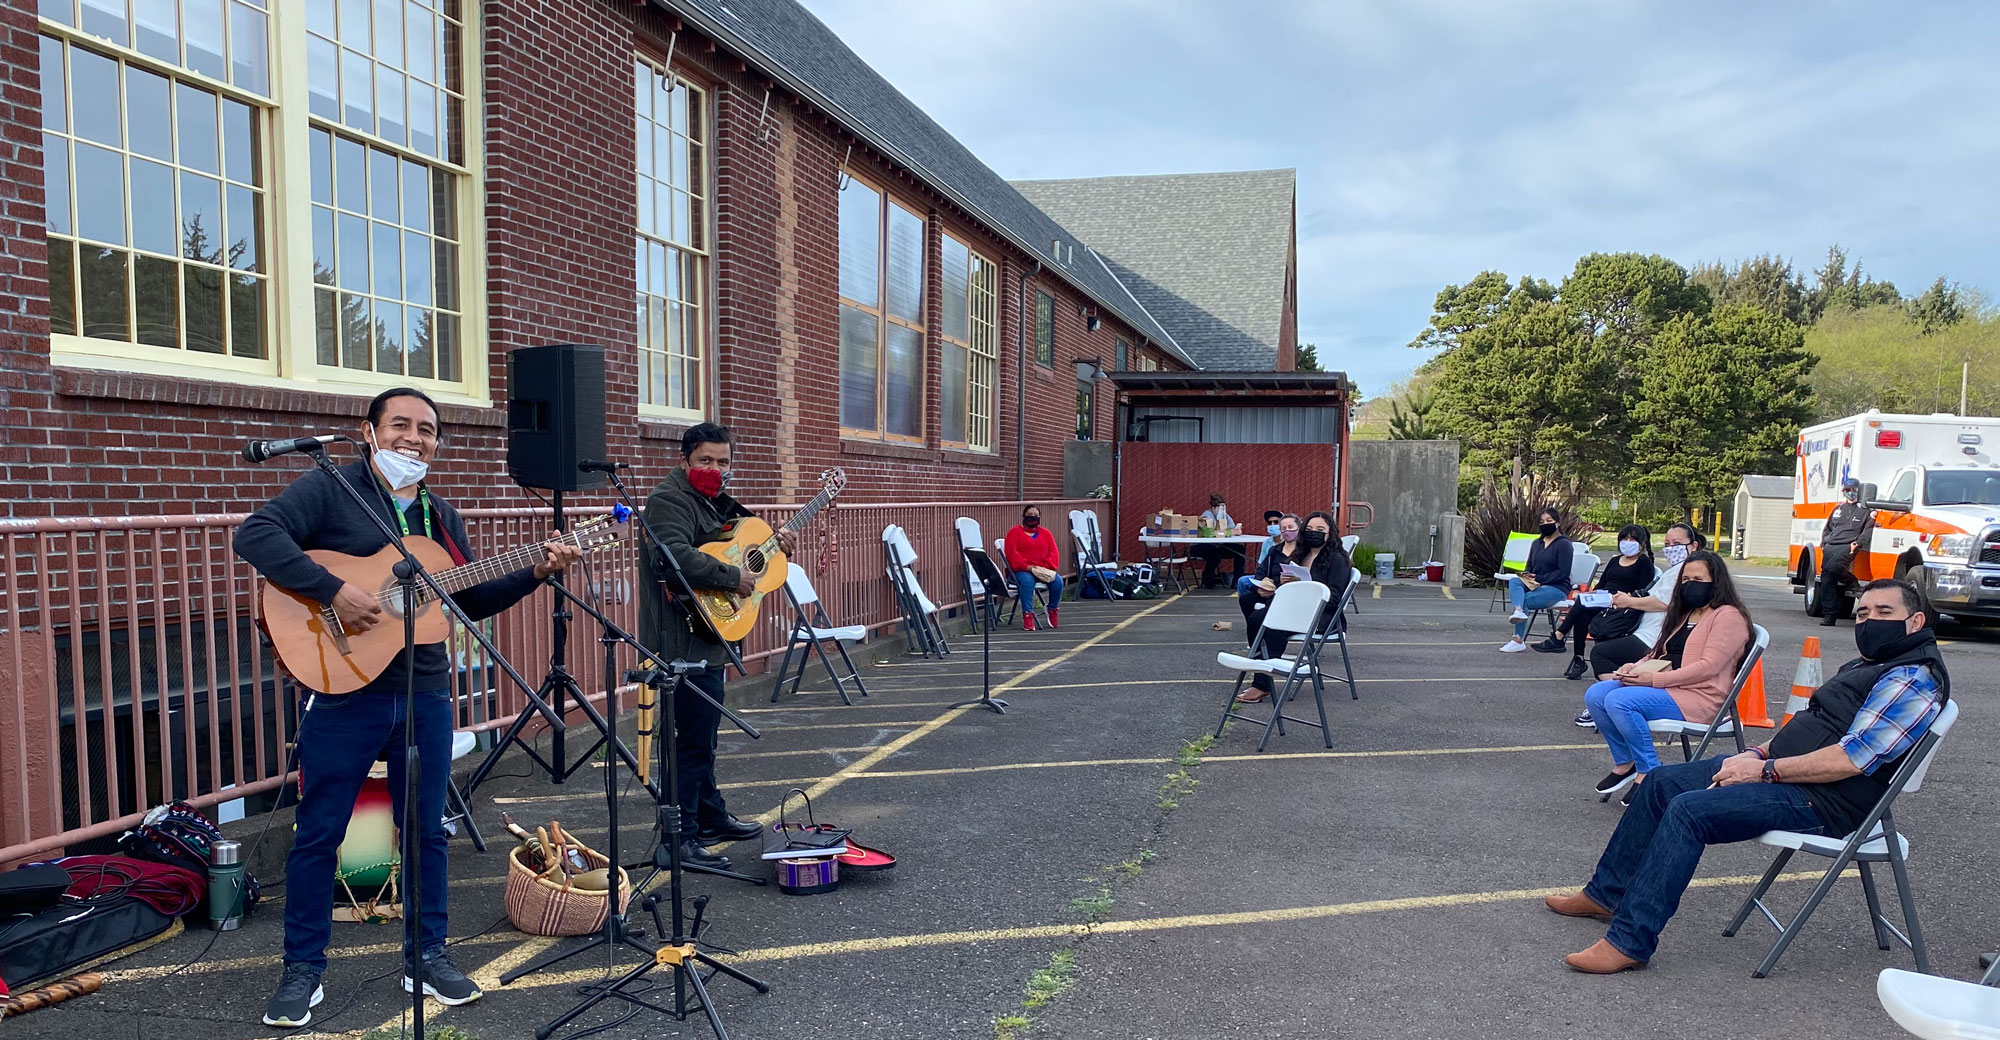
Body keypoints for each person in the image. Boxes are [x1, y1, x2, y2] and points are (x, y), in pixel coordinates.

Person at [235, 388, 583, 1027]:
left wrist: (538, 571)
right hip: (344, 691)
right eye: (401, 424)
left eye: (427, 429)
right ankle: (302, 970)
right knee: (320, 832)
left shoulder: (440, 517)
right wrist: (335, 591)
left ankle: (426, 954)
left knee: (426, 832)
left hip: (422, 691)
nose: (414, 438)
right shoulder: (333, 488)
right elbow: (255, 533)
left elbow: (465, 600)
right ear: (368, 430)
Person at [1545, 579, 1948, 974]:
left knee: (1689, 811)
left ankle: (1628, 943)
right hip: (1787, 774)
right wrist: (1755, 752)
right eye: (1862, 612)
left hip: (1826, 801)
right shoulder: (1871, 665)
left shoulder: (1912, 679)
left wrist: (1764, 771)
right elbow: (1812, 727)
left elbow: (1850, 761)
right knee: (1660, 783)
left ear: (1914, 622)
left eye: (1883, 612)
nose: (1869, 621)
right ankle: (1604, 895)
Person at [639, 423, 793, 873]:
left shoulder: (713, 500)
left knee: (703, 734)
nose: (715, 469)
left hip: (708, 635)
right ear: (685, 460)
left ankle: (708, 814)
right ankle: (679, 838)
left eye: (723, 462)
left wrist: (775, 547)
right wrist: (732, 578)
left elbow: (741, 547)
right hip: (680, 638)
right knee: (687, 738)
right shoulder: (668, 499)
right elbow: (672, 557)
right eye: (706, 460)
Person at [1582, 551, 1752, 803]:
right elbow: (1660, 651)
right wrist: (1634, 667)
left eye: (1697, 578)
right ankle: (1626, 762)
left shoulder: (1728, 617)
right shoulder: (1687, 613)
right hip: (1673, 688)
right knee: (1596, 694)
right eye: (1685, 579)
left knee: (1620, 701)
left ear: (1715, 582)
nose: (1689, 584)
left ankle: (1649, 770)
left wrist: (1652, 680)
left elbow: (1708, 668)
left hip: (1701, 697)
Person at [1581, 523, 1706, 719]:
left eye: (1677, 543)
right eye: (1667, 544)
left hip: (1654, 637)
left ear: (1694, 546)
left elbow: (1663, 603)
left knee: (1601, 654)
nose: (1671, 548)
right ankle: (1612, 698)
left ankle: (1613, 700)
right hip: (1645, 631)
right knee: (1602, 639)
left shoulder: (1685, 572)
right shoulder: (1674, 570)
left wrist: (1629, 601)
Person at [1236, 511, 1351, 703]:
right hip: (1297, 609)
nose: (1314, 532)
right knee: (1257, 619)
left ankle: (1261, 683)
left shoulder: (1336, 559)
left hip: (1321, 615)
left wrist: (1307, 585)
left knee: (1273, 629)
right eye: (1310, 529)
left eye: (1320, 529)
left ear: (1330, 533)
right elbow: (1288, 585)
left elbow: (1334, 599)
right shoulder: (1300, 555)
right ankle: (1260, 666)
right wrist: (1277, 583)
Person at [1536, 524, 1656, 681]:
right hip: (1604, 598)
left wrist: (1625, 598)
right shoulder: (1615, 561)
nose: (1627, 542)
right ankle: (1577, 657)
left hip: (1622, 604)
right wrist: (1594, 593)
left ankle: (1559, 637)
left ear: (1641, 542)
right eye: (1624, 538)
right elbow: (1602, 584)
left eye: (1632, 539)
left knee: (1582, 605)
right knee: (1583, 612)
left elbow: (1642, 590)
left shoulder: (1643, 563)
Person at [1500, 509, 1574, 652]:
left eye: (1549, 521)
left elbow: (1563, 572)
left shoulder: (1564, 544)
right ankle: (1518, 611)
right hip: (1536, 583)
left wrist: (1539, 578)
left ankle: (1518, 639)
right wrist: (1527, 575)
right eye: (1541, 522)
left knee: (1525, 599)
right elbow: (1529, 565)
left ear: (1557, 523)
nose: (1545, 524)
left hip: (1556, 587)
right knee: (1514, 581)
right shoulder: (1536, 543)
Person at [1814, 476, 1877, 627]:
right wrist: (1824, 543)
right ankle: (1830, 614)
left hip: (1848, 545)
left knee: (1832, 569)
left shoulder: (1866, 511)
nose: (1850, 493)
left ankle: (1850, 584)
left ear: (1859, 491)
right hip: (1831, 546)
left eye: (1854, 490)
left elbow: (1868, 531)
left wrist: (1857, 543)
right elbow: (1828, 528)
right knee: (1827, 576)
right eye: (1847, 490)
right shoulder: (1838, 509)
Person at [1239, 514, 1301, 639]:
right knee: (1246, 599)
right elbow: (1261, 571)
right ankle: (1257, 637)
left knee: (1259, 615)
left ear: (1299, 528)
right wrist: (1261, 586)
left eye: (1290, 527)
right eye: (1283, 528)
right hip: (1270, 590)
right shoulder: (1274, 550)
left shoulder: (1304, 551)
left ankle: (1265, 635)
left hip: (1291, 593)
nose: (1287, 531)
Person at [1004, 505, 1065, 630]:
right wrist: (1027, 567)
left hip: (1041, 569)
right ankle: (1028, 614)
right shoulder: (1014, 532)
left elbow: (1053, 552)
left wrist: (1044, 567)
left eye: (1036, 515)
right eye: (1030, 514)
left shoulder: (1046, 533)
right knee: (1027, 581)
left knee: (1058, 582)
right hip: (1021, 570)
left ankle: (1052, 609)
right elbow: (1011, 554)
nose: (1032, 517)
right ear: (1024, 516)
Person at [1195, 491, 1243, 588]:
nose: (1222, 510)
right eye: (1220, 508)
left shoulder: (1225, 516)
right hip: (1201, 545)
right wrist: (1229, 532)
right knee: (1215, 554)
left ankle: (1237, 580)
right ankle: (1207, 578)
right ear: (1213, 508)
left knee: (1241, 551)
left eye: (1224, 508)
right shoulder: (1207, 515)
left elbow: (1234, 530)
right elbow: (1211, 533)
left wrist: (1235, 530)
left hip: (1218, 545)